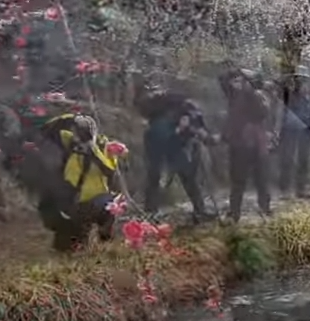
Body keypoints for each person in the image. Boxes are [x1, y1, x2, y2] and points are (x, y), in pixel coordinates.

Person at [39, 113, 125, 252]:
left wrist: (93, 151)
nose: (79, 135)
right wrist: (70, 117)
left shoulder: (104, 146)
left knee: (97, 221)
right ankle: (78, 243)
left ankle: (104, 238)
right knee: (67, 243)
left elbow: (110, 171)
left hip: (98, 201)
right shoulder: (71, 141)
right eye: (78, 131)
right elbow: (46, 129)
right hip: (75, 199)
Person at [143, 96, 212, 220]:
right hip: (157, 146)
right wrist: (179, 129)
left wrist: (201, 135)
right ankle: (150, 212)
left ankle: (200, 210)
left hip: (175, 146)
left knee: (188, 177)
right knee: (155, 176)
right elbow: (161, 137)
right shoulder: (162, 120)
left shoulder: (190, 115)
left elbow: (196, 131)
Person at [220, 69, 273, 223]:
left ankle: (265, 209)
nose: (235, 84)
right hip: (239, 145)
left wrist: (249, 86)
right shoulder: (232, 96)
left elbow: (263, 113)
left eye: (239, 81)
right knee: (238, 181)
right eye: (234, 81)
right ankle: (234, 213)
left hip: (256, 144)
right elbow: (222, 78)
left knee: (261, 179)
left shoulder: (255, 96)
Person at [277, 71, 310, 198]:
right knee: (287, 160)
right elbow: (279, 113)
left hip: (306, 131)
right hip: (289, 130)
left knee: (303, 161)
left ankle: (301, 190)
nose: (300, 81)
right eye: (297, 79)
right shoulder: (286, 94)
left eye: (303, 79)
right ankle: (285, 191)